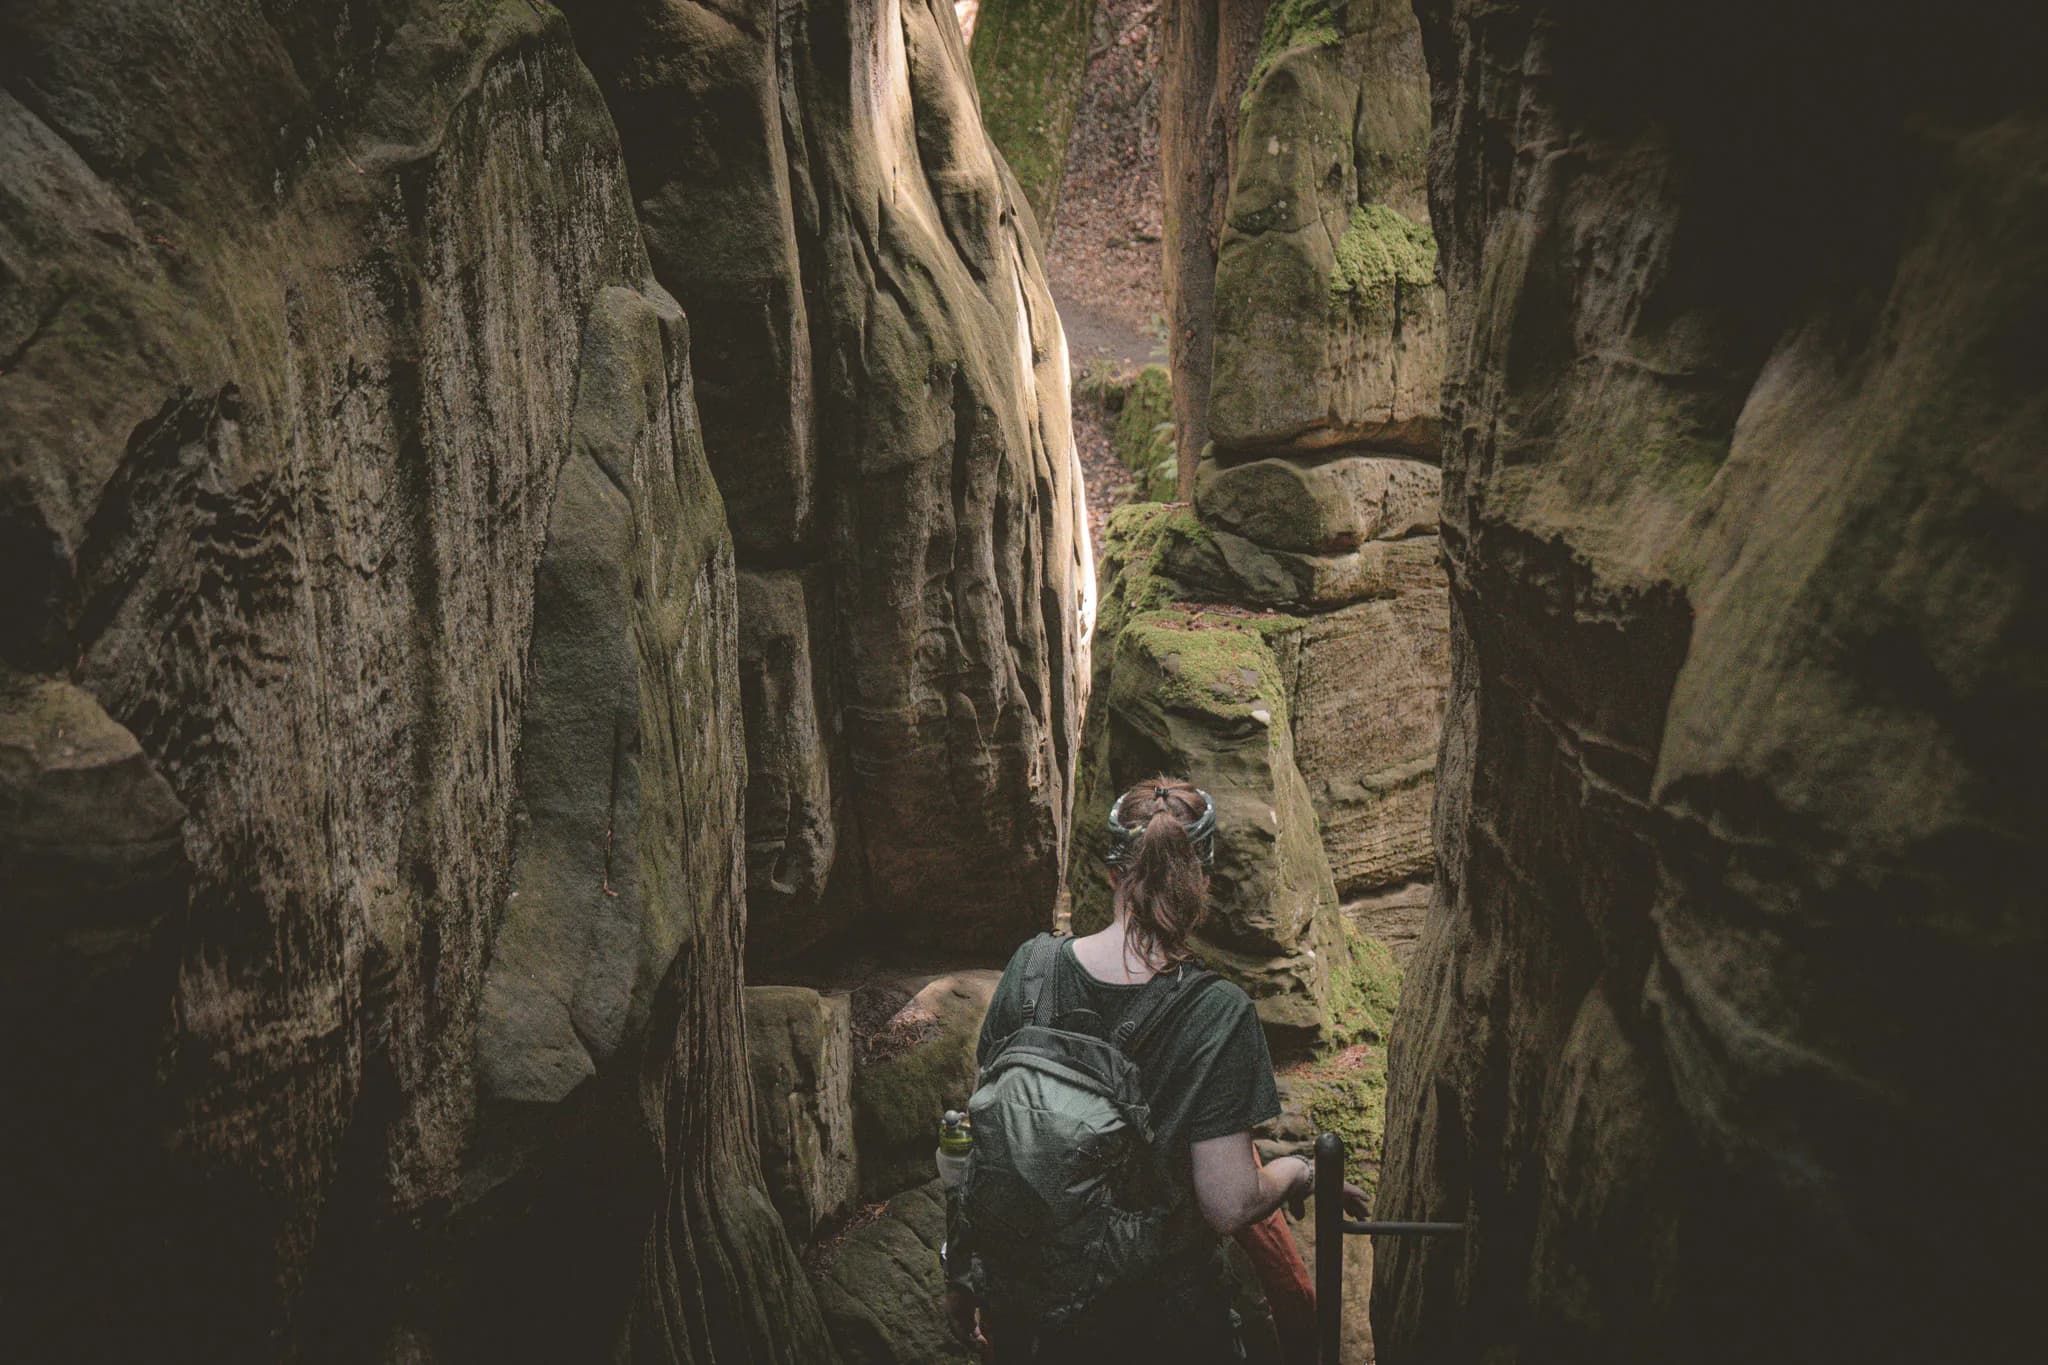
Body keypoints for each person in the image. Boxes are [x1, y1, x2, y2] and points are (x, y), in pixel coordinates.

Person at [945, 776, 1369, 1364]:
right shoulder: (1217, 1013)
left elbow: (985, 1142)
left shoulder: (1030, 968)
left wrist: (963, 1277)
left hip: (1031, 1320)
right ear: (1203, 882)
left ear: (1113, 874)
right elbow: (1227, 1201)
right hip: (1157, 1327)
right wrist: (1298, 1171)